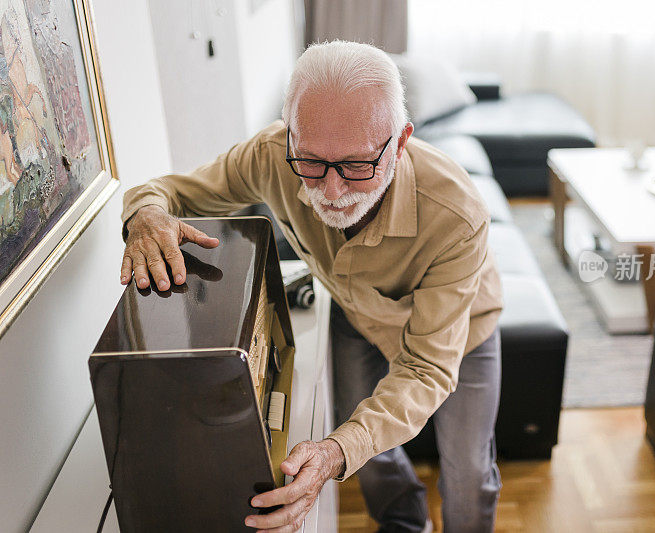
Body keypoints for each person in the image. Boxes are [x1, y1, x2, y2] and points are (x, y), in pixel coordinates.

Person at [119, 40, 503, 533]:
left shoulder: (457, 215)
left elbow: (427, 368)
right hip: (354, 315)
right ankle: (405, 522)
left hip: (458, 336)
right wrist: (147, 213)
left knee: (468, 469)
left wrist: (336, 451)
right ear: (290, 140)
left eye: (357, 166)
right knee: (366, 446)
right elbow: (170, 190)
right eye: (311, 162)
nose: (332, 191)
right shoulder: (269, 155)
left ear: (401, 140)